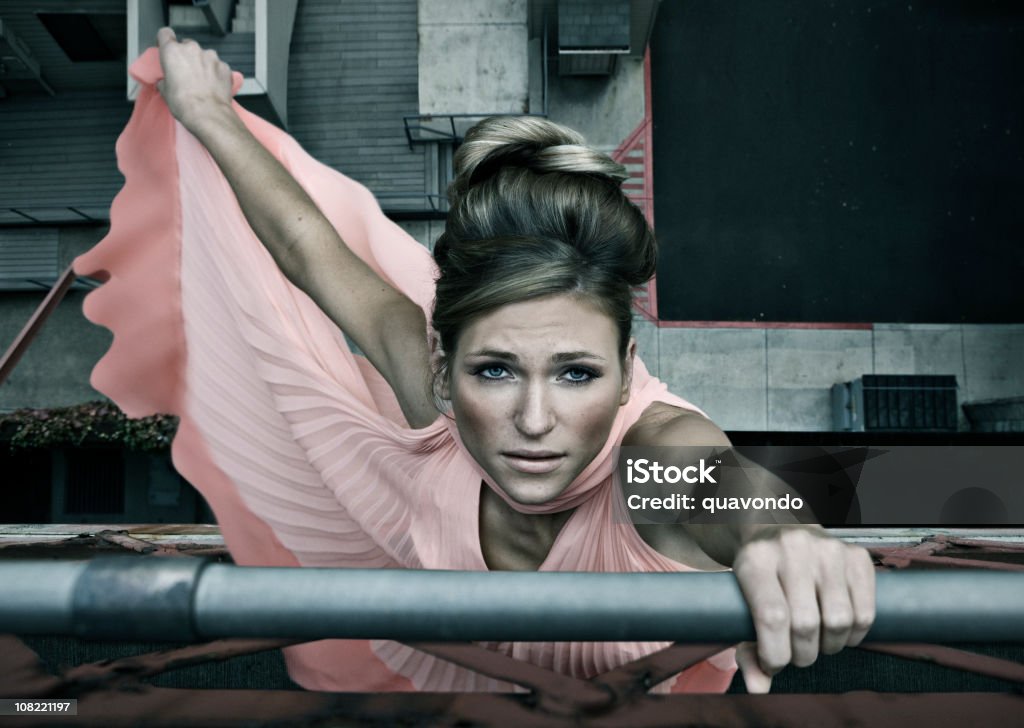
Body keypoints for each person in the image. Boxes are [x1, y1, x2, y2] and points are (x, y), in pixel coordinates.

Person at [74, 28, 875, 695]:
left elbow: (720, 483)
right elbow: (304, 248)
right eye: (494, 371)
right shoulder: (427, 385)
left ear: (627, 370)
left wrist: (781, 534)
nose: (533, 422)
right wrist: (208, 110)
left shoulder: (650, 460)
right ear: (441, 363)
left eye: (576, 373)